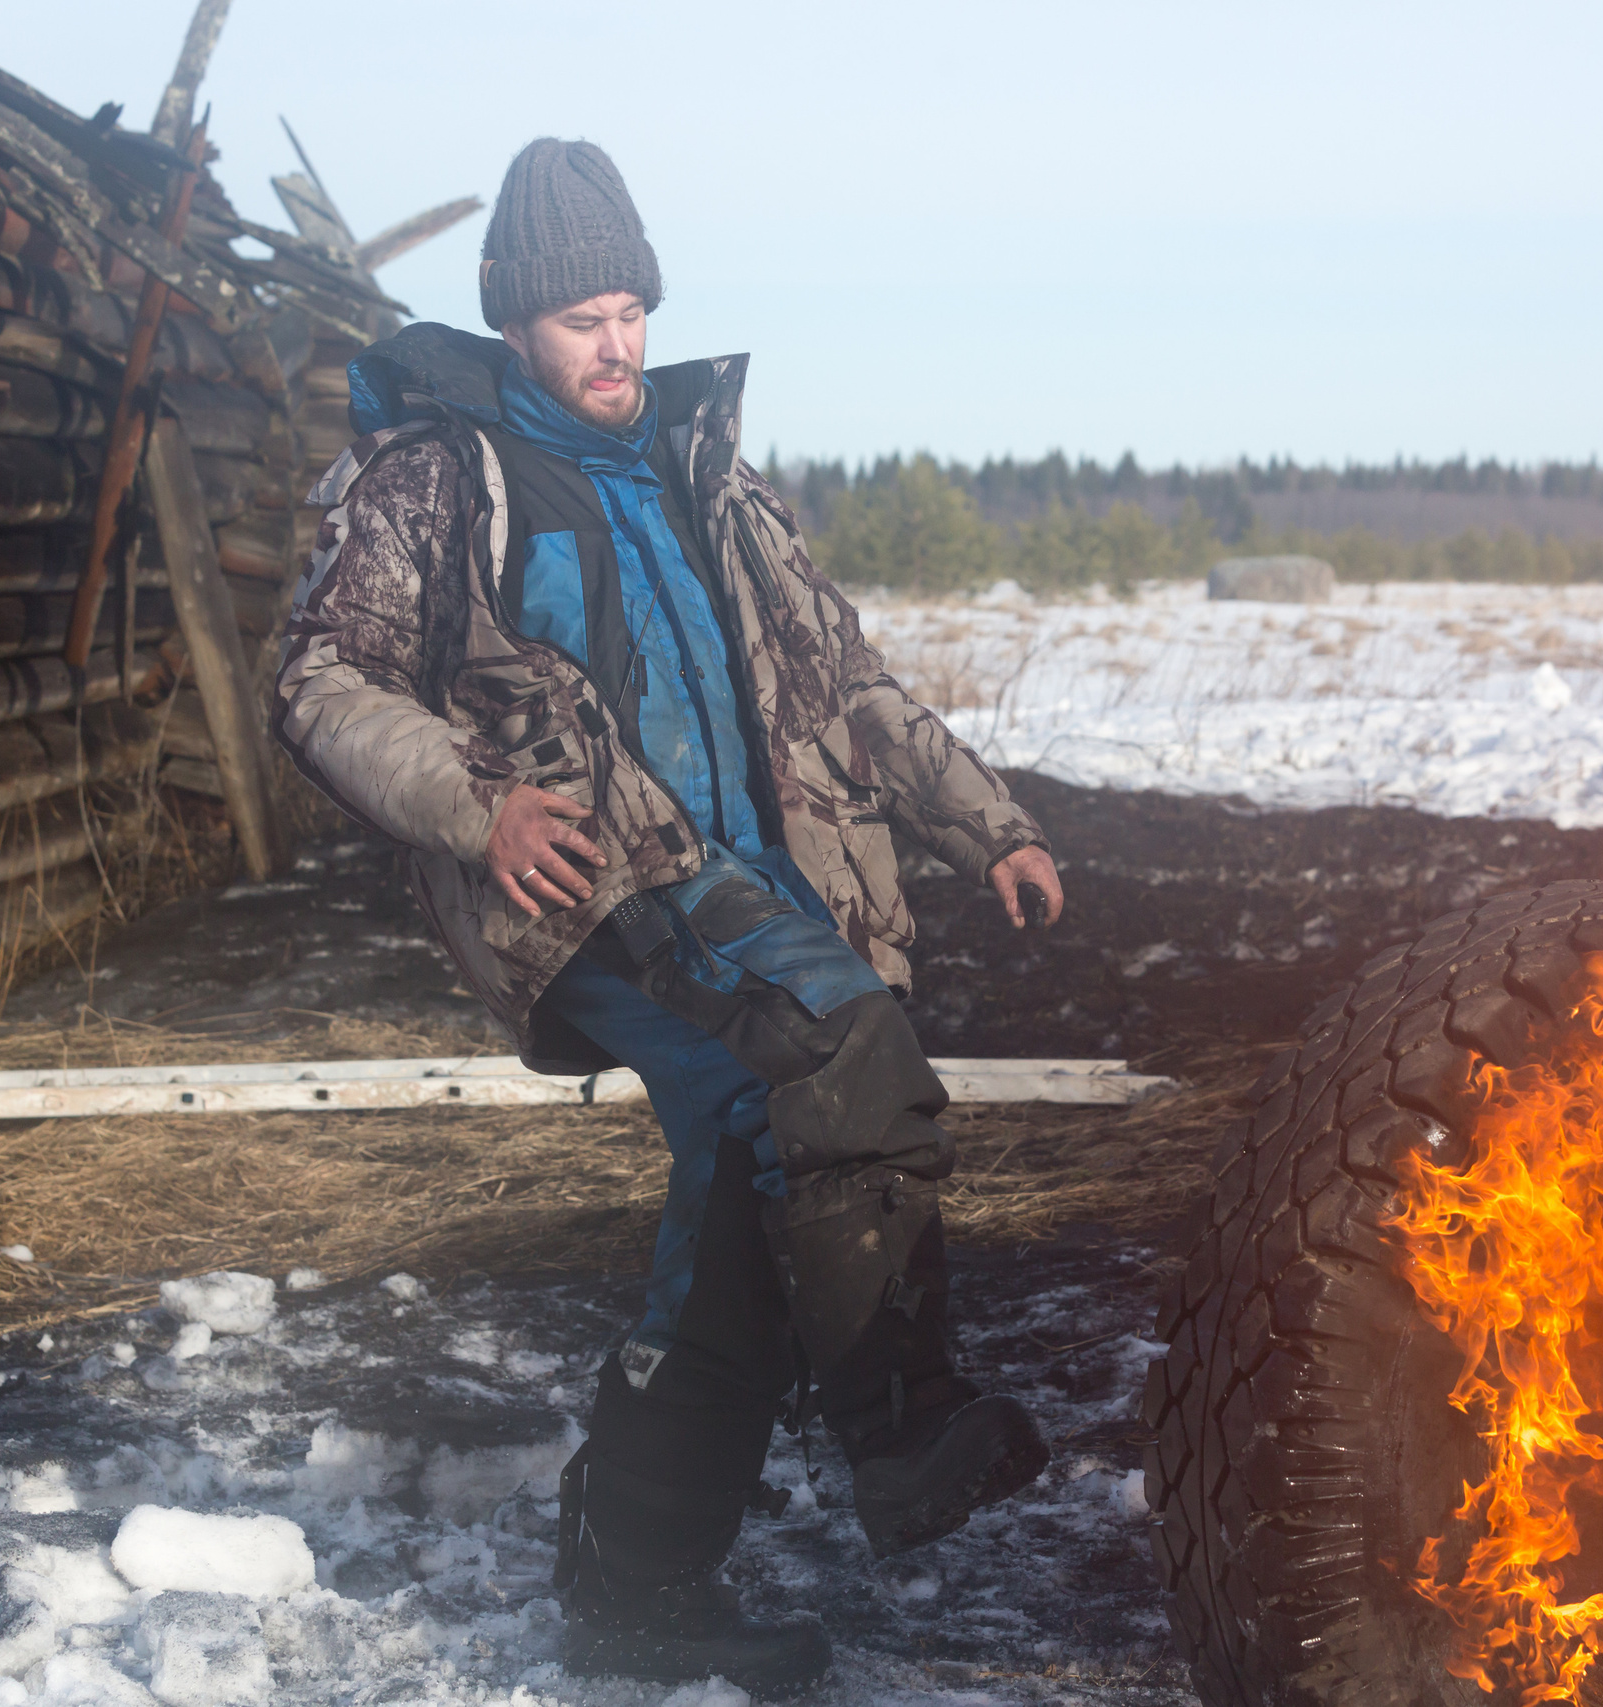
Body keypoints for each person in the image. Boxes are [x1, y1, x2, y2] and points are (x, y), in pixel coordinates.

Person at [272, 137, 1067, 1695]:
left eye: (631, 306)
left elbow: (843, 679)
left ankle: (634, 1578)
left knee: (761, 1177)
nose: (619, 342)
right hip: (599, 884)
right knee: (837, 1060)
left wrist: (989, 824)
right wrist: (472, 803)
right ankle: (903, 1433)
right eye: (583, 316)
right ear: (516, 322)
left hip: (764, 883)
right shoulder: (438, 475)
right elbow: (316, 677)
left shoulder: (713, 469)